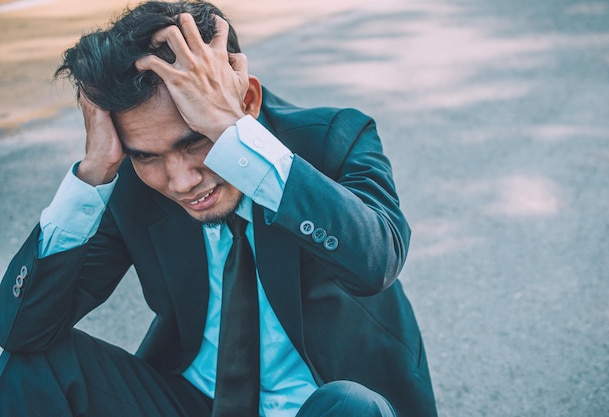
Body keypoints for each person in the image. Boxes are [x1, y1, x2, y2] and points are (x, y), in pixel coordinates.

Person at [0, 1, 437, 416]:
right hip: (192, 400)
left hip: (324, 405)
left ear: (246, 100)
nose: (181, 181)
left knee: (352, 406)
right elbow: (23, 331)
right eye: (147, 155)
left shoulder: (334, 138)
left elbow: (375, 261)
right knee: (37, 365)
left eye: (195, 141)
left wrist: (232, 133)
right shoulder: (133, 183)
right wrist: (93, 172)